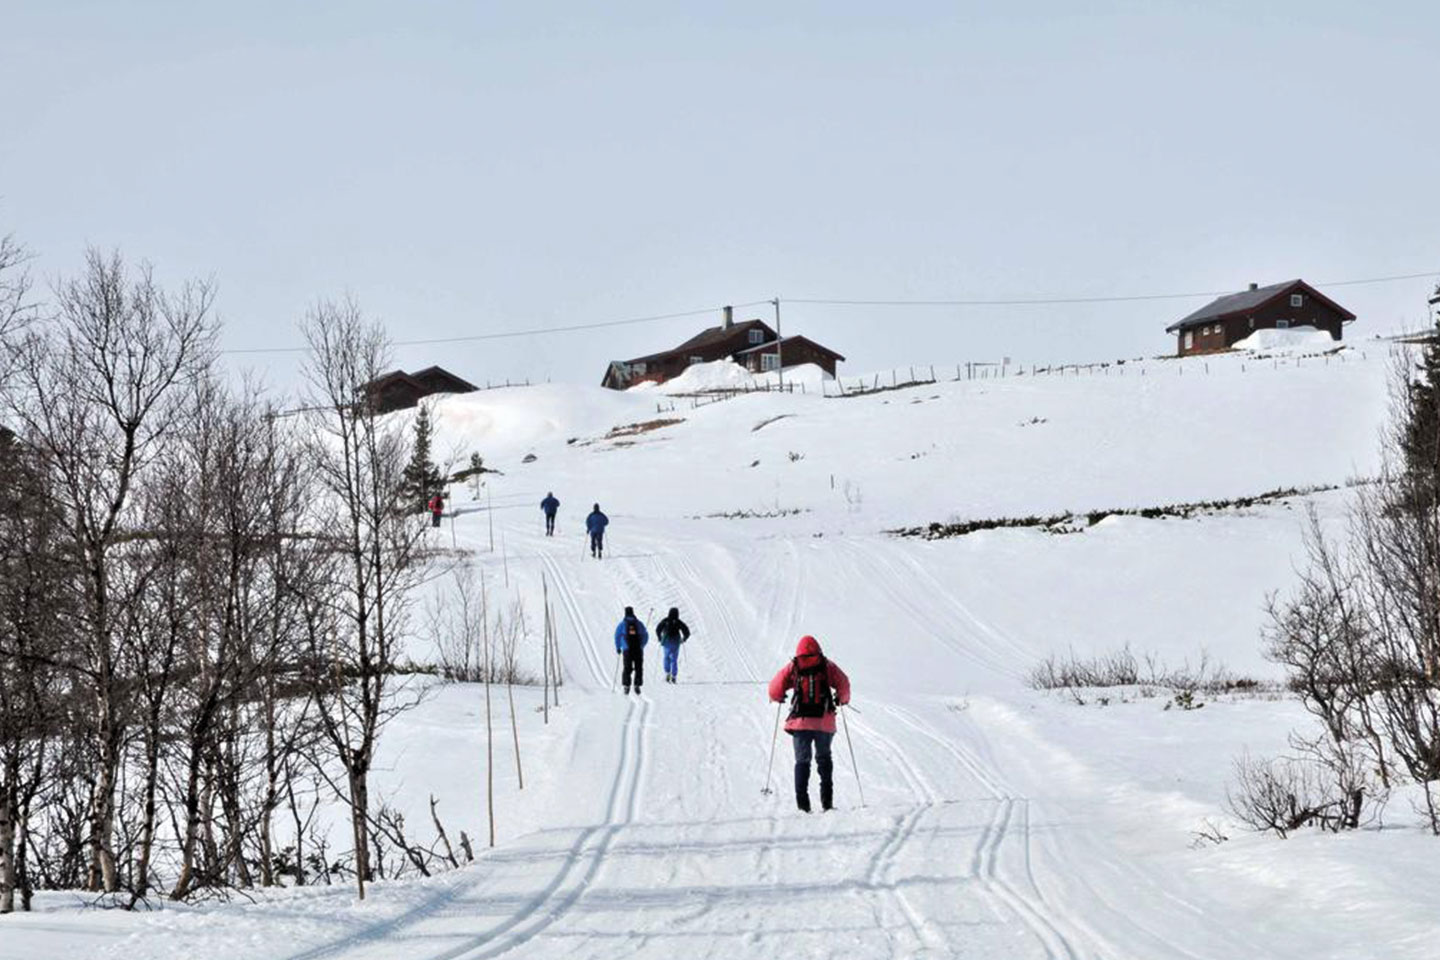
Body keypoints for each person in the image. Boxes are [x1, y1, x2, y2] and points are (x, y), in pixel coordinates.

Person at [767, 636, 851, 813]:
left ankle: (803, 806)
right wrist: (842, 700)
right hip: (824, 722)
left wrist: (778, 697)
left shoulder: (794, 666)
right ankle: (827, 803)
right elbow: (843, 683)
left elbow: (774, 687)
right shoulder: (826, 665)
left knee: (802, 761)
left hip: (800, 723)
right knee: (824, 759)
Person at [614, 605, 647, 695]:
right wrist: (642, 646)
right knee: (638, 667)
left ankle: (626, 686)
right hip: (638, 649)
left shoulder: (622, 624)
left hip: (627, 649)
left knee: (627, 667)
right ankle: (637, 685)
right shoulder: (639, 623)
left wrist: (618, 647)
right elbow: (645, 635)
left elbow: (617, 636)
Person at [654, 607, 690, 683]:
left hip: (666, 641)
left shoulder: (665, 620)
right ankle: (674, 676)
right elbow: (686, 631)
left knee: (666, 657)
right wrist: (684, 639)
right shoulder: (678, 622)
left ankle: (667, 673)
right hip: (676, 641)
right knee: (674, 659)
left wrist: (659, 637)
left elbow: (658, 629)